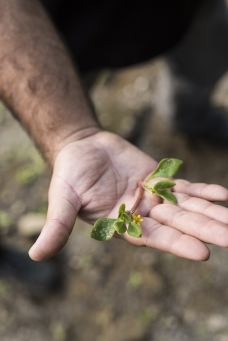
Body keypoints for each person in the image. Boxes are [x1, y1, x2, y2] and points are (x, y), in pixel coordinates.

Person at [1, 0, 228, 263]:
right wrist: (72, 133)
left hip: (189, 12)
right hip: (60, 43)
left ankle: (192, 118)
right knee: (73, 91)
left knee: (205, 57)